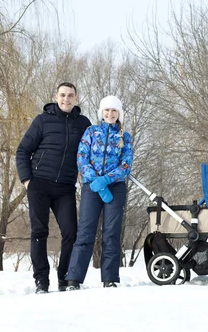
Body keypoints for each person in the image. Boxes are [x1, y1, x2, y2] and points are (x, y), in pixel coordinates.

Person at [15, 82, 91, 294]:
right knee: (39, 231)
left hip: (65, 187)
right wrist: (27, 180)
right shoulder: (42, 120)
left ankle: (65, 277)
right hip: (39, 183)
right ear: (56, 97)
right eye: (62, 95)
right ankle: (41, 281)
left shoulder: (84, 124)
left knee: (71, 232)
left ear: (76, 98)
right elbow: (22, 151)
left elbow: (91, 152)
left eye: (70, 95)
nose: (66, 99)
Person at [64, 95, 133, 290]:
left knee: (111, 232)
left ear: (119, 114)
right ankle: (74, 279)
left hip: (115, 187)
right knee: (85, 231)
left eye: (113, 111)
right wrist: (96, 181)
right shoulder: (91, 132)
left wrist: (107, 180)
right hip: (91, 187)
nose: (110, 114)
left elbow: (126, 164)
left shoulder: (124, 136)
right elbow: (81, 158)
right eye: (106, 110)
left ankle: (110, 278)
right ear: (101, 113)